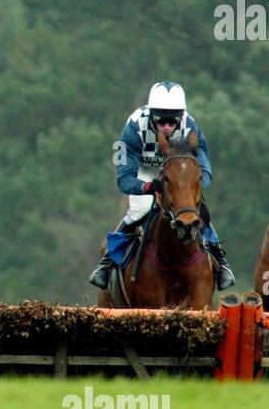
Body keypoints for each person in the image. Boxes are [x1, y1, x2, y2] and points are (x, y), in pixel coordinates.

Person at [88, 82, 236, 290]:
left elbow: (205, 171)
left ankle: (222, 264)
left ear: (181, 116)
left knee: (194, 209)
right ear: (150, 115)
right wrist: (150, 187)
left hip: (177, 172)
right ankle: (107, 262)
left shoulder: (190, 126)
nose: (166, 126)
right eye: (160, 119)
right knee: (140, 209)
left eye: (172, 120)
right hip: (144, 171)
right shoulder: (133, 128)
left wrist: (188, 186)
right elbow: (124, 179)